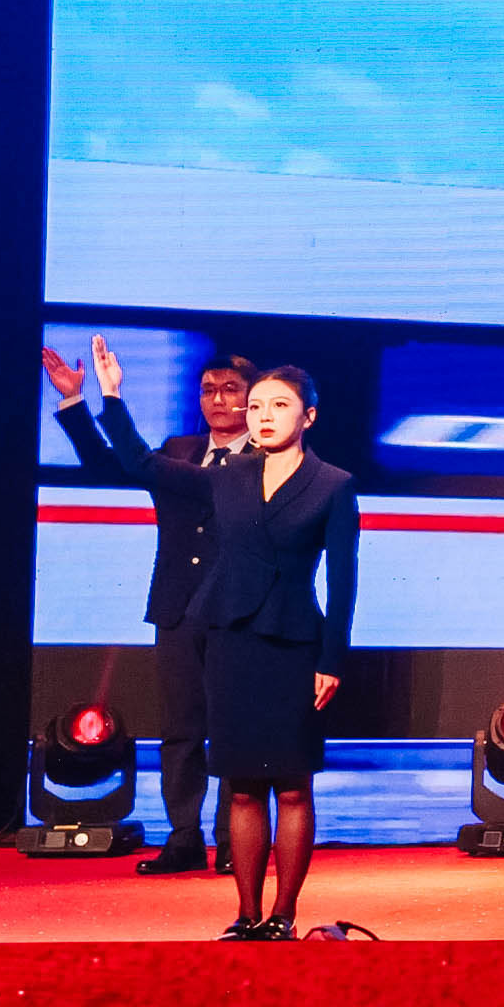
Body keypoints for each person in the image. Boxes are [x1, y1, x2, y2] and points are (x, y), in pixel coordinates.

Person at [40, 335, 256, 877]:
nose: (218, 399)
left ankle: (236, 840)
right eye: (208, 389)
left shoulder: (263, 458)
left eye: (231, 389)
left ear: (252, 399)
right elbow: (113, 467)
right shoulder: (180, 448)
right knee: (181, 729)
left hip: (238, 611)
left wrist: (114, 398)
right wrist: (74, 401)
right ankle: (184, 838)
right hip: (177, 606)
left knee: (234, 728)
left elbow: (141, 462)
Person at [188, 366, 357, 940]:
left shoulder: (333, 484)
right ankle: (245, 914)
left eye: (279, 405)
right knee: (240, 785)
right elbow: (139, 466)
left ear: (308, 416)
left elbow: (344, 580)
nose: (262, 415)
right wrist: (100, 401)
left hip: (294, 645)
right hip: (231, 642)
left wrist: (331, 659)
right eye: (256, 405)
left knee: (291, 784)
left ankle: (283, 915)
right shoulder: (225, 475)